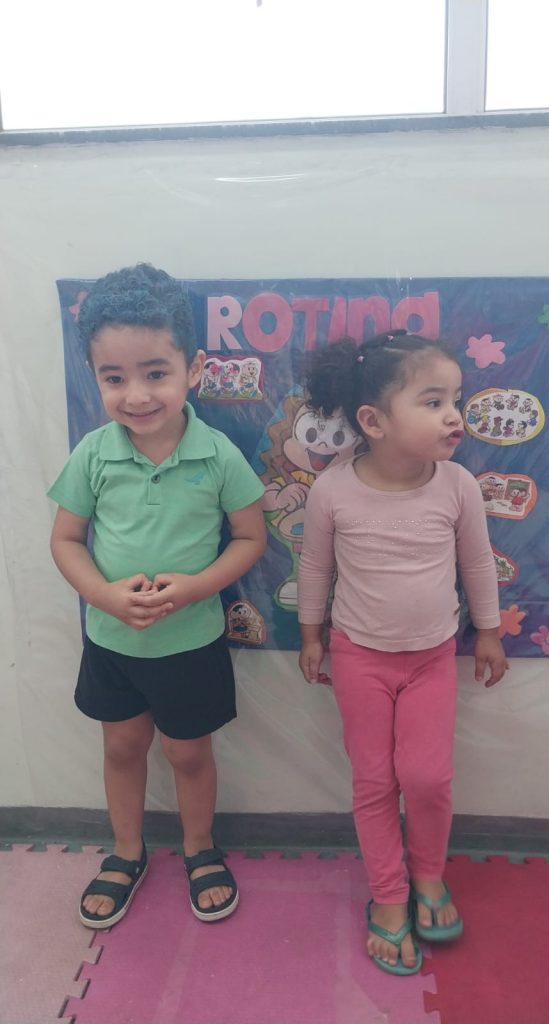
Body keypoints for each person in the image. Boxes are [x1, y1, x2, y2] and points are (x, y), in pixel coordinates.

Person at [48, 264, 266, 929]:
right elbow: (66, 540)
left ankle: (199, 847)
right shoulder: (93, 454)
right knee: (121, 747)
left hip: (191, 640)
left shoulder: (218, 455)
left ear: (192, 369)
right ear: (94, 377)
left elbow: (250, 537)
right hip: (112, 641)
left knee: (188, 752)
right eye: (114, 378)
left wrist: (198, 586)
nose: (137, 395)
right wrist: (103, 597)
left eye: (155, 373)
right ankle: (126, 850)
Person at [297, 332, 507, 975]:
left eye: (457, 400)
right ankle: (388, 896)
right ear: (374, 421)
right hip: (357, 656)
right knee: (375, 781)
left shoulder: (458, 485)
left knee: (427, 778)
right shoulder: (333, 490)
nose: (454, 416)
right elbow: (316, 566)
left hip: (432, 658)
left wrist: (490, 631)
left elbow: (477, 563)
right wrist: (310, 634)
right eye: (434, 402)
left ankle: (429, 875)